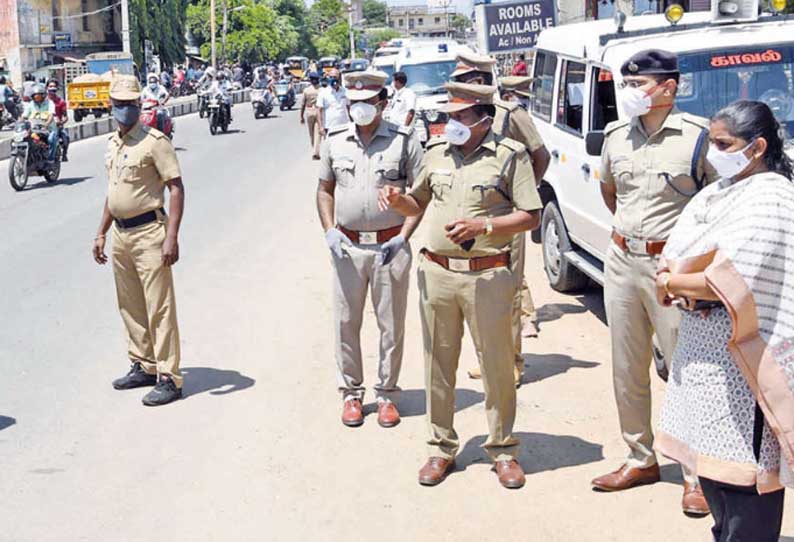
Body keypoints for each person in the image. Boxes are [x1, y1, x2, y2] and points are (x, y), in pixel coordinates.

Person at [379, 82, 542, 489]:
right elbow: (418, 202)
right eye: (448, 115)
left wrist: (483, 225)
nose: (450, 123)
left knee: (497, 365)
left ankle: (503, 449)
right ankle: (440, 447)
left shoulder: (510, 156)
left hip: (487, 274)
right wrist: (399, 202)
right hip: (437, 273)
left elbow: (531, 216)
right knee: (438, 363)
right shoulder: (435, 154)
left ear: (484, 119)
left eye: (459, 116)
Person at [655, 100, 794, 541]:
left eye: (723, 144)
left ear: (756, 147)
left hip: (744, 368)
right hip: (703, 363)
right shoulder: (717, 190)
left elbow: (732, 277)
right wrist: (676, 278)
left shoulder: (772, 194)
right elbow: (677, 257)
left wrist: (680, 280)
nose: (714, 153)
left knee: (746, 490)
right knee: (715, 481)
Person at [592, 49, 716, 515]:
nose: (631, 92)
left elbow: (713, 206)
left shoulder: (698, 138)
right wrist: (633, 240)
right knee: (627, 365)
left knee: (685, 371)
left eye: (640, 84)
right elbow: (610, 192)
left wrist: (684, 264)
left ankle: (694, 474)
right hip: (622, 259)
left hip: (674, 269)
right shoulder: (615, 136)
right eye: (628, 84)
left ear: (669, 87)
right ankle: (640, 458)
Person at [316, 70, 424, 428]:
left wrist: (404, 235)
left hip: (389, 247)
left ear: (382, 103)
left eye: (367, 103)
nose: (360, 109)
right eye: (355, 103)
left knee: (390, 325)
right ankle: (350, 393)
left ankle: (387, 395)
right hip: (347, 247)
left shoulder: (403, 141)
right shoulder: (335, 140)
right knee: (346, 323)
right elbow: (324, 190)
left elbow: (421, 196)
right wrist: (330, 231)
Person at [450, 51, 550, 384]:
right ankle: (490, 359)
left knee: (509, 291)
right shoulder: (456, 119)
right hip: (471, 217)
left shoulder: (510, 113)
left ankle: (513, 362)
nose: (462, 88)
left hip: (507, 218)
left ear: (479, 82)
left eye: (466, 81)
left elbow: (540, 154)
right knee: (479, 293)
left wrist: (524, 194)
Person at [91, 75, 185, 407]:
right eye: (120, 105)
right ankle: (144, 364)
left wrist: (171, 237)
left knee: (159, 306)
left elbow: (175, 187)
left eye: (131, 105)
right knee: (130, 304)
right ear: (111, 106)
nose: (125, 110)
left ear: (138, 105)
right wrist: (101, 232)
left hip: (149, 234)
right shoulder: (113, 144)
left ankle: (169, 377)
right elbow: (113, 193)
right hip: (120, 234)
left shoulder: (154, 141)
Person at [21, 84, 58, 162]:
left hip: (49, 129)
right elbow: (24, 115)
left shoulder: (49, 103)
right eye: (35, 95)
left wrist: (46, 124)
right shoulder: (31, 104)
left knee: (51, 139)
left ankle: (51, 159)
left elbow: (51, 115)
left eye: (38, 95)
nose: (36, 97)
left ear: (43, 95)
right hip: (34, 129)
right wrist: (19, 121)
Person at [317, 68, 348, 137]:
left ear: (339, 78)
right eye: (331, 77)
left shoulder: (345, 92)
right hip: (329, 127)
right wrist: (320, 127)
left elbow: (349, 107)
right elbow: (319, 111)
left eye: (335, 77)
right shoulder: (323, 93)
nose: (333, 79)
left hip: (344, 126)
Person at [46, 80, 69, 162]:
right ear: (46, 88)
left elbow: (66, 117)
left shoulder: (61, 102)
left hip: (56, 126)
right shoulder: (44, 101)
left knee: (66, 137)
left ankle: (64, 154)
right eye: (50, 86)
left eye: (54, 86)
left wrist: (60, 122)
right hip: (43, 125)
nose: (52, 88)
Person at [301, 72, 322, 160]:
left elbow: (302, 104)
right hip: (319, 111)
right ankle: (315, 151)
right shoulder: (322, 90)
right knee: (318, 133)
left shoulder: (306, 90)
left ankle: (314, 150)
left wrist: (301, 116)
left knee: (311, 133)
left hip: (309, 111)